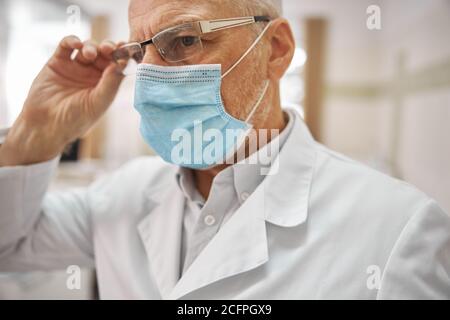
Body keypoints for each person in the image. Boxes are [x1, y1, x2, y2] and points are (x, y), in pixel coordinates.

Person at [0, 0, 449, 299]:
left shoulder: (396, 228)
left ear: (275, 49)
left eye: (185, 41)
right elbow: (8, 247)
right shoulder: (120, 194)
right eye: (141, 54)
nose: (151, 77)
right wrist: (34, 135)